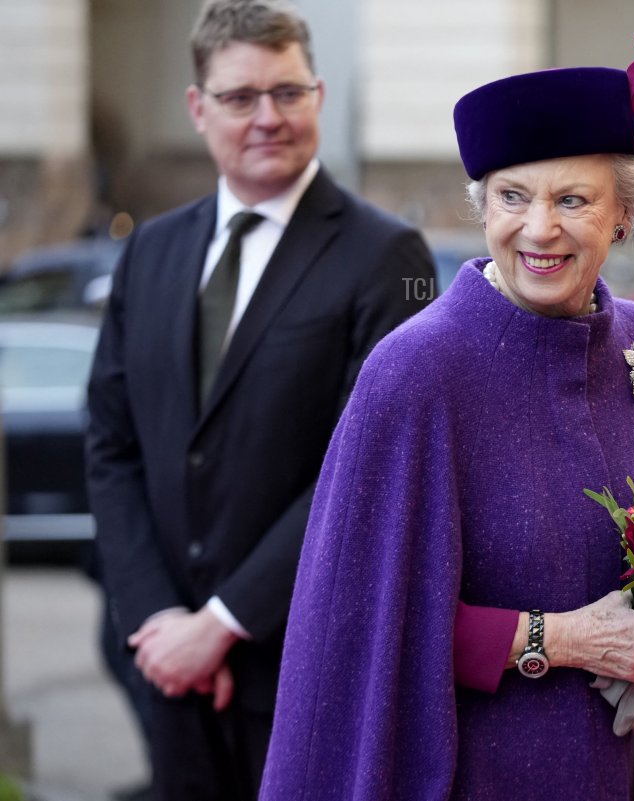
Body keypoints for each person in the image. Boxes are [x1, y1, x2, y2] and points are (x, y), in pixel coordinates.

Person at [259, 37, 634, 801]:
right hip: (475, 777)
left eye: (572, 199)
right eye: (512, 196)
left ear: (623, 216)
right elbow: (362, 627)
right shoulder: (416, 371)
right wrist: (563, 639)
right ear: (483, 206)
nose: (538, 229)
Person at [84, 1, 436, 798]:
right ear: (197, 107)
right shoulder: (149, 250)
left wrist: (223, 623)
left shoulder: (391, 256)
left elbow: (369, 466)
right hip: (168, 667)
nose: (267, 117)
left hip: (302, 665)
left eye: (288, 92)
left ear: (317, 94)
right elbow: (111, 443)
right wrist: (157, 622)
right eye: (241, 97)